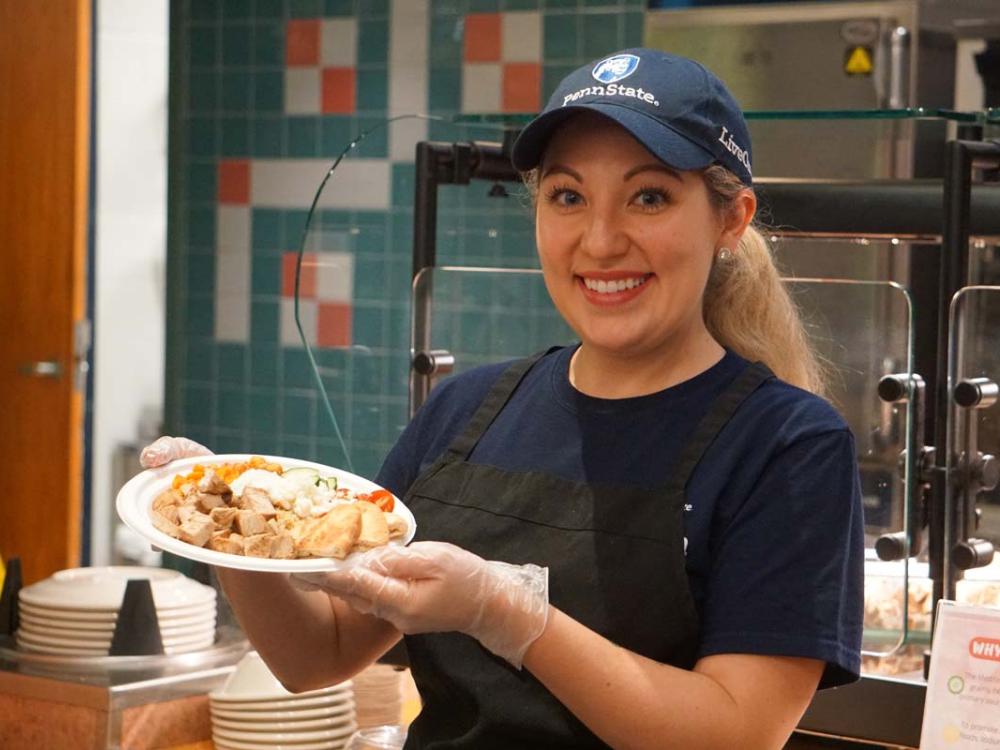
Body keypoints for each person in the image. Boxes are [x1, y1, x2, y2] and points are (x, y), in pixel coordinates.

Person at [142, 48, 864, 749]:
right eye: (568, 197)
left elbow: (735, 734)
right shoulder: (467, 411)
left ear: (731, 220)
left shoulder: (787, 445)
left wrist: (513, 618)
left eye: (649, 196)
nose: (601, 240)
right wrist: (229, 534)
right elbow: (317, 655)